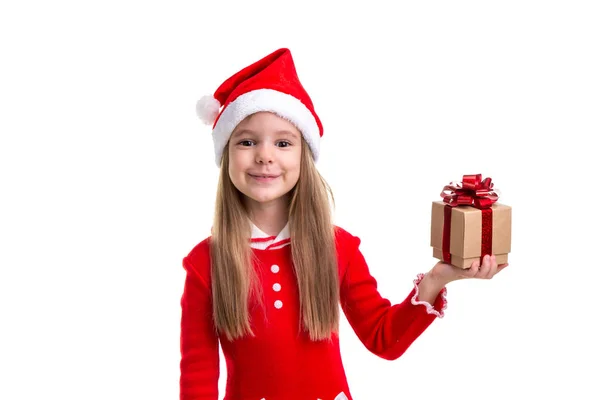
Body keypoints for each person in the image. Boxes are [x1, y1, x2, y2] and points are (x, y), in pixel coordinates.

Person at [180, 48, 508, 400]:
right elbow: (198, 375)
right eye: (247, 141)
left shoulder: (338, 247)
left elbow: (384, 339)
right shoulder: (204, 263)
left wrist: (437, 279)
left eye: (283, 142)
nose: (265, 155)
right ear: (226, 153)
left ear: (304, 156)